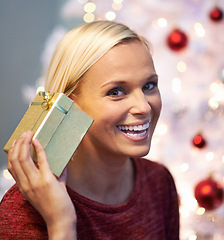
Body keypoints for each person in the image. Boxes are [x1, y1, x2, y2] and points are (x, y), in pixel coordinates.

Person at [0, 20, 179, 239]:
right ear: (69, 104)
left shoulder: (159, 182)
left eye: (149, 85)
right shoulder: (22, 212)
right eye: (116, 92)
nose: (144, 107)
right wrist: (61, 223)